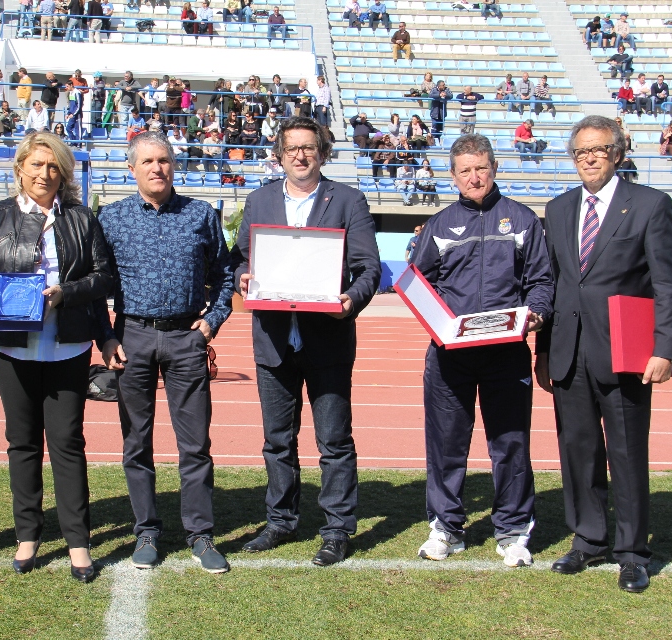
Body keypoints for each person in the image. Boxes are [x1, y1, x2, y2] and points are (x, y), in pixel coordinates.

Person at [535, 115, 672, 594]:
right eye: (581, 152)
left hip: (626, 353)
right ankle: (588, 538)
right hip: (568, 353)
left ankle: (632, 552)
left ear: (618, 153)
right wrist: (543, 353)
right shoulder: (557, 210)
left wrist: (666, 348)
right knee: (577, 452)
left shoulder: (649, 205)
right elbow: (554, 286)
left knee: (625, 453)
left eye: (599, 150)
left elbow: (667, 284)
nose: (590, 159)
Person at [231, 116, 381, 566]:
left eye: (309, 148)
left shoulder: (348, 200)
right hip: (274, 341)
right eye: (292, 148)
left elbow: (369, 268)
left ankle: (336, 528)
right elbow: (240, 258)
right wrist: (242, 277)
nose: (300, 155)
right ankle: (280, 520)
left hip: (327, 338)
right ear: (279, 154)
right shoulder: (259, 201)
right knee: (278, 440)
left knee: (334, 440)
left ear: (322, 152)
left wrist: (349, 300)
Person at [0, 132, 110, 583]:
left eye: (53, 168)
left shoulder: (82, 219)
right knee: (22, 442)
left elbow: (105, 277)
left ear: (63, 173)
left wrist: (64, 294)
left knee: (67, 443)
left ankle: (78, 541)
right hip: (11, 347)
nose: (44, 175)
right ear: (20, 168)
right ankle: (27, 534)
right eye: (36, 166)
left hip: (67, 345)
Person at [413, 133, 552, 567]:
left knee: (509, 442)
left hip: (505, 353)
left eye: (481, 168)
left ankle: (512, 531)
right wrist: (438, 322)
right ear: (453, 176)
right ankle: (446, 527)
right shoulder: (438, 225)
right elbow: (421, 281)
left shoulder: (524, 220)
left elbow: (541, 282)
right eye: (465, 171)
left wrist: (537, 315)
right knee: (446, 444)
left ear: (494, 169)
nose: (474, 177)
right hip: (449, 354)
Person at [97, 131, 233, 574]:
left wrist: (211, 322)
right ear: (132, 168)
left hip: (185, 338)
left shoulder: (200, 214)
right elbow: (97, 284)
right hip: (131, 335)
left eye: (165, 160)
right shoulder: (112, 218)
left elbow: (226, 274)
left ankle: (200, 533)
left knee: (195, 444)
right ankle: (147, 530)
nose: (158, 168)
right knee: (136, 442)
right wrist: (107, 336)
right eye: (149, 161)